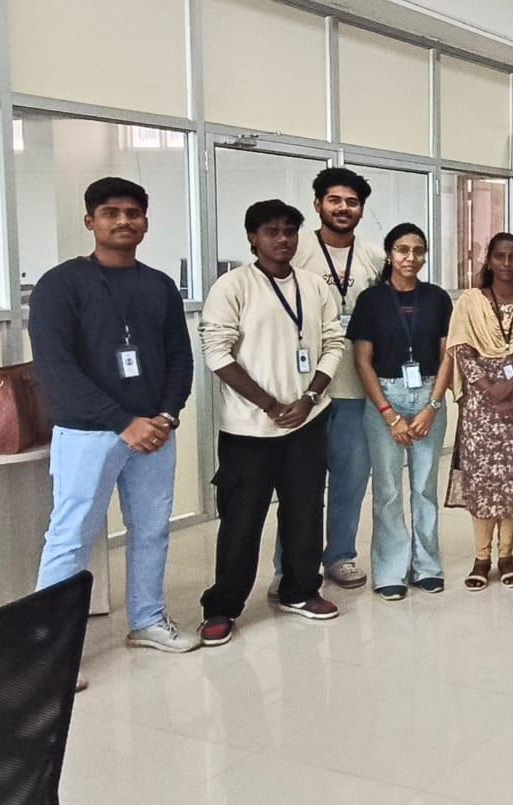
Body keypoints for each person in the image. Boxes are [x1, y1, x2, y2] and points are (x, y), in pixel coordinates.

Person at [30, 177, 200, 690]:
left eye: (133, 213)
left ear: (145, 222)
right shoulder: (60, 285)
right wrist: (123, 422)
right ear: (90, 221)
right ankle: (50, 653)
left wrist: (166, 415)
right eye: (111, 212)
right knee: (71, 537)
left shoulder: (159, 285)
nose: (123, 221)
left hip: (154, 433)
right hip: (88, 433)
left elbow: (179, 358)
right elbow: (56, 368)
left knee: (151, 530)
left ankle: (146, 620)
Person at [198, 200, 346, 646]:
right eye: (271, 231)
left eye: (289, 231)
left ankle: (300, 590)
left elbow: (334, 343)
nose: (283, 239)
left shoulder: (314, 286)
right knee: (242, 521)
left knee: (305, 512)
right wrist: (269, 404)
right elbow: (216, 353)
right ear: (253, 237)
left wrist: (309, 397)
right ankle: (223, 607)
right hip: (249, 430)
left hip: (308, 421)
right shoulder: (233, 286)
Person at [286, 167, 385, 591]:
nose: (343, 208)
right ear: (318, 204)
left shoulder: (374, 258)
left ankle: (341, 555)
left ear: (361, 209)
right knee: (298, 483)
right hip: (303, 390)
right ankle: (290, 565)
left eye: (352, 202)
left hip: (354, 388)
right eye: (334, 200)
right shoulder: (296, 251)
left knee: (350, 478)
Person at [347, 223, 454, 600]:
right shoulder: (371, 300)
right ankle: (390, 569)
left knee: (424, 487)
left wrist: (432, 407)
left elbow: (448, 355)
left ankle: (427, 566)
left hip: (428, 392)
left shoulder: (437, 298)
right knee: (388, 489)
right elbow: (362, 361)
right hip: (385, 395)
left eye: (418, 250)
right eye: (402, 250)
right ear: (390, 254)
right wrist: (388, 414)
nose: (411, 257)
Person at [446, 233, 513, 591]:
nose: (506, 263)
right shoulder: (470, 302)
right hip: (481, 408)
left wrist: (512, 385)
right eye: (500, 256)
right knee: (484, 481)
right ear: (488, 260)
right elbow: (461, 349)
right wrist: (491, 390)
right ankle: (481, 558)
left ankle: (506, 556)